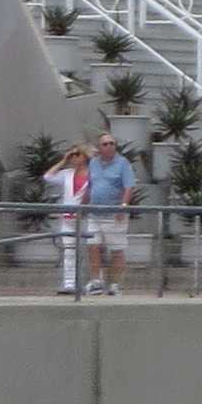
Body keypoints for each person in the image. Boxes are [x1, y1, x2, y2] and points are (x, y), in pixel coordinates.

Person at [77, 126, 140, 296]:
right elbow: (91, 185)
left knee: (116, 249)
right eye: (105, 144)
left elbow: (128, 187)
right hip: (94, 214)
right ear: (100, 147)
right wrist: (82, 205)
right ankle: (96, 281)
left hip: (114, 215)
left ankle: (115, 284)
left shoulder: (123, 163)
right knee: (93, 246)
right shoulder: (94, 164)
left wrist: (123, 207)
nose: (110, 146)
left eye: (112, 143)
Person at [46, 139, 93, 295]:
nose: (74, 157)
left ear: (85, 156)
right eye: (71, 155)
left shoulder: (93, 174)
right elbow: (48, 177)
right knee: (69, 251)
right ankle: (69, 283)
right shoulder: (66, 174)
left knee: (87, 250)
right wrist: (63, 160)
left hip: (85, 218)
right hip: (68, 218)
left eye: (77, 154)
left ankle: (87, 283)